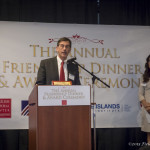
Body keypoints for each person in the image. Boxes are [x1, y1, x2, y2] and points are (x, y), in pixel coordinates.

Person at [138, 54, 150, 144]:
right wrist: (145, 104)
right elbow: (140, 93)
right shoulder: (144, 77)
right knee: (149, 133)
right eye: (149, 61)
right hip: (147, 109)